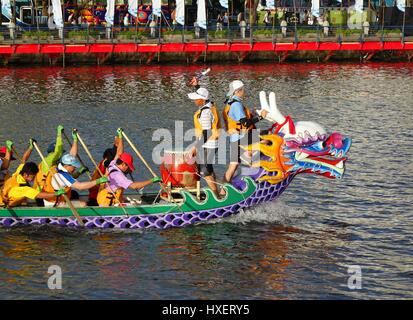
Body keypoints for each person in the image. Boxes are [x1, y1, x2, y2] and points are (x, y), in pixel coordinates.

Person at [97, 128, 162, 206]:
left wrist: (121, 137)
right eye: (128, 167)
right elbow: (134, 186)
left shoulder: (113, 163)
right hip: (107, 204)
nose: (128, 169)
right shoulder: (118, 176)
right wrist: (152, 180)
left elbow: (119, 151)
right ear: (124, 164)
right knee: (134, 204)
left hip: (103, 198)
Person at [222, 80, 268, 186]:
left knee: (233, 165)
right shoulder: (236, 105)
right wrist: (261, 117)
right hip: (241, 138)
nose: (244, 91)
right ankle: (256, 161)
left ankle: (223, 191)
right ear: (238, 91)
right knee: (266, 138)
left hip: (234, 139)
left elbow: (238, 118)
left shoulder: (230, 102)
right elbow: (246, 123)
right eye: (243, 90)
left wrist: (252, 112)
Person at [187, 81, 221, 197]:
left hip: (208, 144)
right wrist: (197, 86)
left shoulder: (206, 112)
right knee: (209, 169)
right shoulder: (210, 105)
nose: (194, 101)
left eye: (197, 98)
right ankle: (217, 193)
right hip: (211, 143)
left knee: (205, 172)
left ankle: (216, 197)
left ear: (202, 100)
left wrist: (196, 147)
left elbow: (207, 133)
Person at [40, 152, 108, 208]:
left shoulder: (56, 168)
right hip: (55, 205)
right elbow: (80, 187)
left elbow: (72, 154)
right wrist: (98, 181)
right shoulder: (63, 175)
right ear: (67, 166)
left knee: (75, 195)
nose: (75, 168)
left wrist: (79, 173)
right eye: (74, 166)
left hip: (50, 201)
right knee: (83, 204)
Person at [0, 162, 67, 208]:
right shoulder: (23, 189)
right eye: (33, 176)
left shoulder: (18, 173)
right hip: (3, 205)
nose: (34, 178)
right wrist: (56, 193)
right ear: (26, 175)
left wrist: (30, 148)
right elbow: (39, 195)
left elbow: (23, 161)